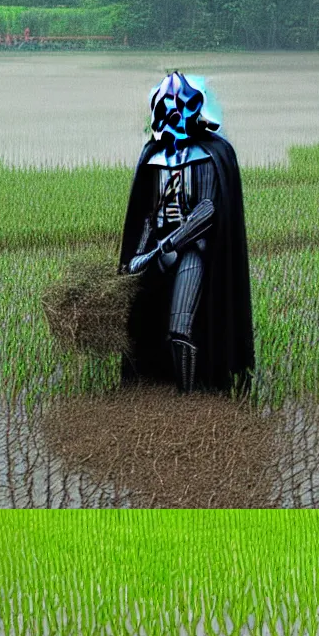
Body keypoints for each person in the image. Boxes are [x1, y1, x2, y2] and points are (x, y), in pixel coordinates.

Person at [118, 71, 253, 394]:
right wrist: (139, 253)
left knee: (180, 329)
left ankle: (188, 393)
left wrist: (168, 245)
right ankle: (151, 380)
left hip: (192, 251)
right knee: (147, 319)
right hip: (157, 250)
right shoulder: (153, 157)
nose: (174, 115)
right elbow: (148, 214)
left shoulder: (210, 155)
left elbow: (207, 210)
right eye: (167, 108)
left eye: (180, 107)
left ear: (194, 110)